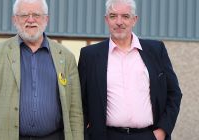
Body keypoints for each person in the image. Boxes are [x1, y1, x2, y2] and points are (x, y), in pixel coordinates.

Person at [0, 0, 83, 140]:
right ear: (14, 19)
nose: (30, 20)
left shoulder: (66, 57)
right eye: (24, 15)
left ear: (46, 19)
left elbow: (75, 111)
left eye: (36, 14)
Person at [78, 0, 182, 140]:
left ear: (134, 20)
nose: (119, 22)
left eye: (125, 16)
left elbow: (174, 93)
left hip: (149, 136)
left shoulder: (156, 51)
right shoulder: (89, 56)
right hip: (106, 136)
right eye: (113, 16)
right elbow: (80, 100)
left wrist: (162, 131)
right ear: (106, 19)